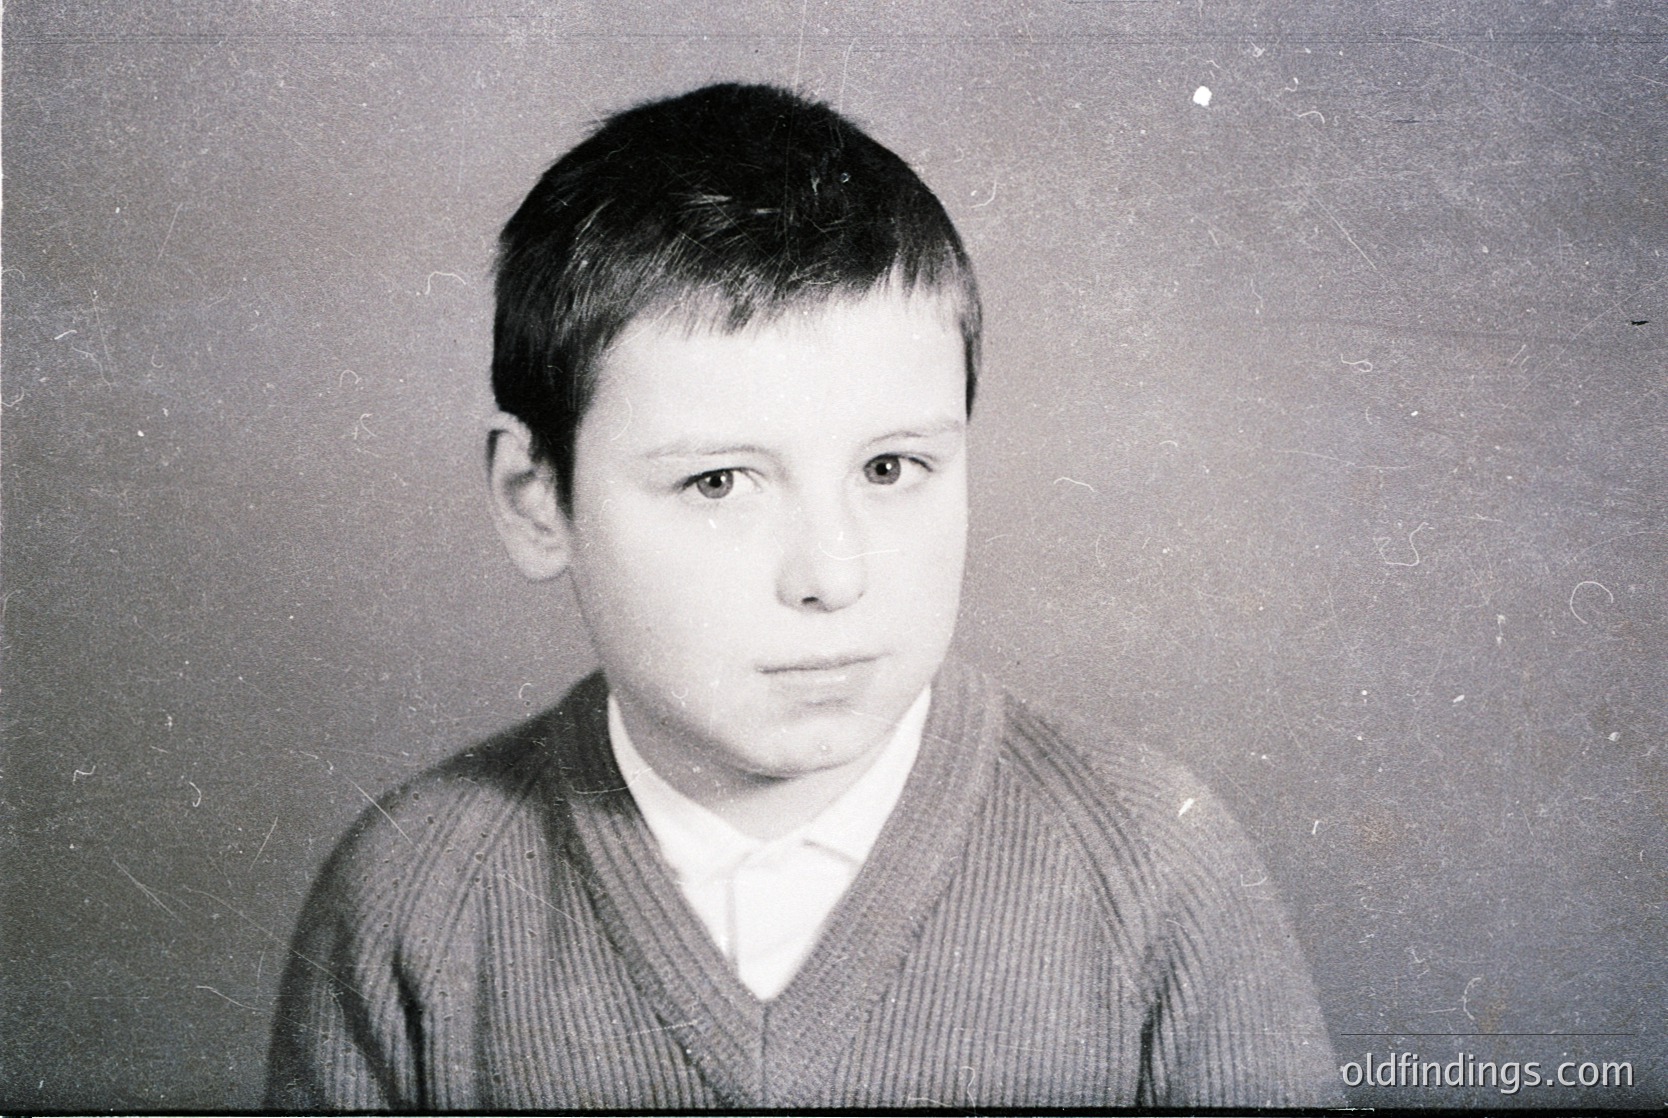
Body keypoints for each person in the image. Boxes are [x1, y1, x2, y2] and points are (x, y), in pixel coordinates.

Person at [266, 81, 1341, 1110]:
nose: (831, 575)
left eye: (889, 469)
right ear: (535, 497)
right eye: (719, 481)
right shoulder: (411, 899)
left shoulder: (1156, 867)